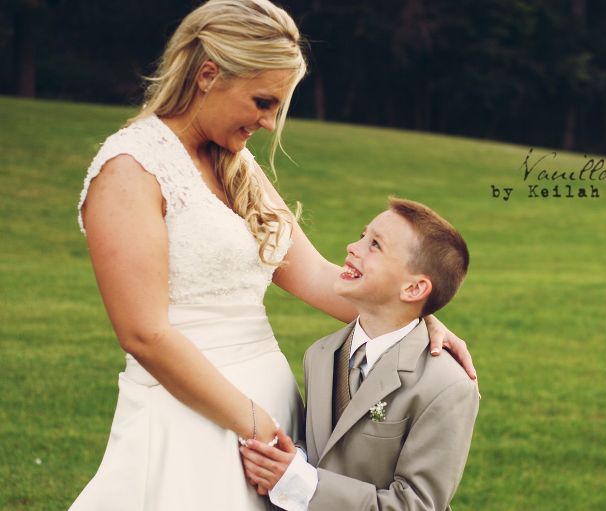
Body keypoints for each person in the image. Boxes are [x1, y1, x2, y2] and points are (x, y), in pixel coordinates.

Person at [69, 1, 475, 510]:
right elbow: (145, 334)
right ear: (208, 75)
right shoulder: (130, 169)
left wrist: (416, 321)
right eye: (262, 102)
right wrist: (254, 422)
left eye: (277, 108)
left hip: (272, 410)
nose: (267, 123)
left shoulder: (239, 167)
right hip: (192, 413)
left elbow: (321, 277)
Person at [241, 198, 480, 511]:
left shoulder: (447, 386)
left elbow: (417, 504)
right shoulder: (321, 354)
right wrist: (290, 461)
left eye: (375, 245)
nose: (352, 247)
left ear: (413, 289)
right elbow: (324, 450)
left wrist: (302, 482)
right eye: (362, 236)